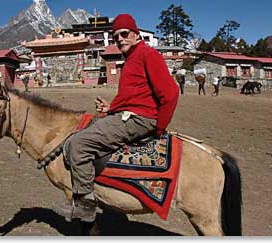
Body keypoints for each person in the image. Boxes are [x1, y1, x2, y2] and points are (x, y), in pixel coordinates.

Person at [56, 13, 180, 223]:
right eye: (116, 37)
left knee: (79, 143)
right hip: (130, 114)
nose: (120, 39)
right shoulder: (133, 58)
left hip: (140, 119)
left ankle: (85, 204)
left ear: (136, 34)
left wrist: (159, 129)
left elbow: (170, 93)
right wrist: (111, 107)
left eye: (124, 34)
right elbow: (135, 97)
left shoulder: (148, 55)